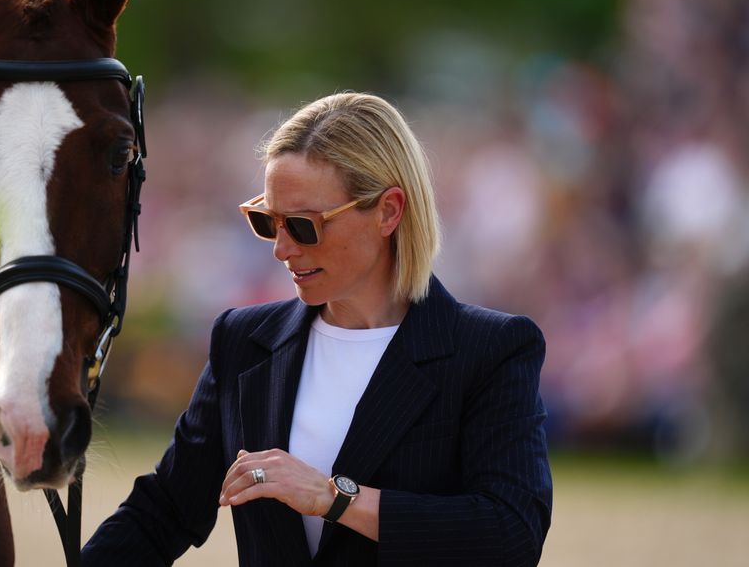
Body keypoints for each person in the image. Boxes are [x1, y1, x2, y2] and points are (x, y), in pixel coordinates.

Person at [82, 92, 552, 566]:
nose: (281, 249)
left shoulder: (490, 349)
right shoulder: (244, 341)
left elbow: (511, 534)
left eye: (304, 226)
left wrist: (335, 499)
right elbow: (162, 512)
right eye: (267, 222)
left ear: (389, 210)